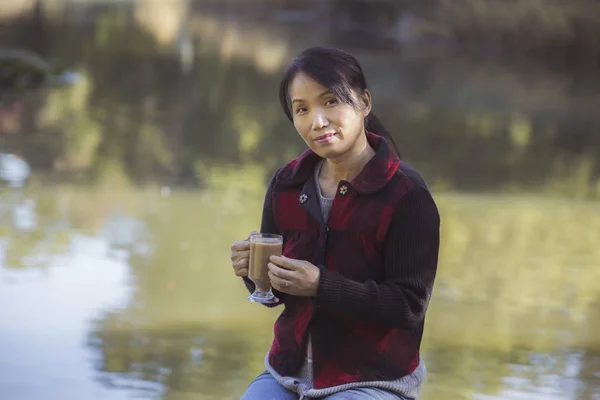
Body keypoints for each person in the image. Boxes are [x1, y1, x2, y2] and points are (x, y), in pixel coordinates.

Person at [230, 46, 440, 400]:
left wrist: (321, 285)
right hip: (286, 372)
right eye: (302, 109)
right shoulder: (287, 184)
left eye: (330, 102)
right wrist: (255, 276)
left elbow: (409, 306)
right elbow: (277, 295)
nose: (317, 121)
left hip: (372, 377)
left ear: (364, 102)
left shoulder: (407, 194)